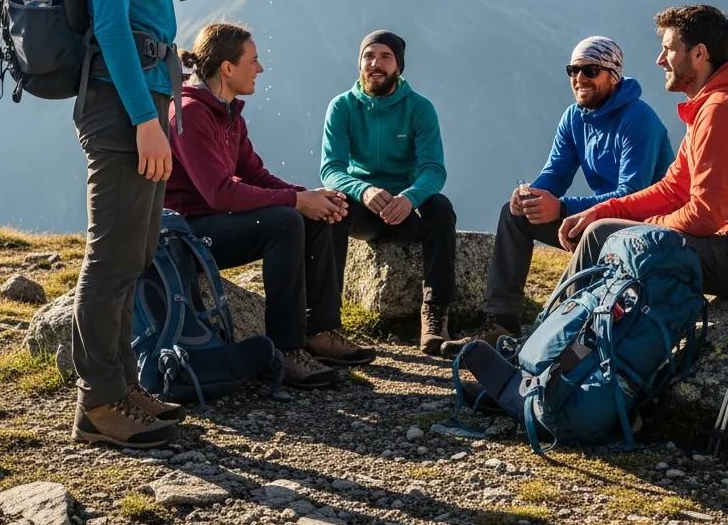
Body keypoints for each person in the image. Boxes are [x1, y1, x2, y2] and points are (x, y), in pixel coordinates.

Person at [68, 0, 257, 449]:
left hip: (150, 99)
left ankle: (124, 387)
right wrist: (144, 122)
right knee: (111, 254)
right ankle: (97, 404)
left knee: (138, 249)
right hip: (119, 102)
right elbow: (110, 24)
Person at [164, 22, 377, 388]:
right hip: (188, 237)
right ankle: (286, 349)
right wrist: (296, 201)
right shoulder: (189, 112)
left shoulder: (228, 112)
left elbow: (254, 174)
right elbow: (219, 193)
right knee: (285, 221)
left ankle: (320, 332)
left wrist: (311, 197)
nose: (260, 68)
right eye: (253, 60)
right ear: (227, 68)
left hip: (214, 224)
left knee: (314, 216)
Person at [441, 36, 673, 358]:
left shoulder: (639, 120)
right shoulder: (574, 117)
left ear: (613, 76)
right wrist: (532, 196)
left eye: (590, 70)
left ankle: (548, 340)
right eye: (573, 70)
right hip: (598, 220)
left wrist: (562, 207)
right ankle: (501, 326)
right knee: (514, 216)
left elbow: (632, 196)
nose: (579, 78)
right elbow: (556, 173)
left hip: (640, 231)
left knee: (592, 231)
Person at [558, 5, 728, 298]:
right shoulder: (712, 106)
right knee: (604, 228)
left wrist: (644, 227)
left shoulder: (721, 110)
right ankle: (572, 321)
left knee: (603, 235)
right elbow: (673, 189)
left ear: (699, 54)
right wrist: (602, 211)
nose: (660, 59)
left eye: (669, 49)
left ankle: (564, 327)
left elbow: (705, 216)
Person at [321, 30, 456, 355]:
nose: (375, 64)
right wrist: (363, 190)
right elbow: (331, 169)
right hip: (363, 208)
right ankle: (326, 324)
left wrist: (410, 198)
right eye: (368, 56)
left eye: (385, 57)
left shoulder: (419, 108)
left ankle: (434, 316)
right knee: (332, 205)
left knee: (440, 208)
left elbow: (434, 169)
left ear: (399, 66)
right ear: (359, 63)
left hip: (405, 209)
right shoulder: (342, 107)